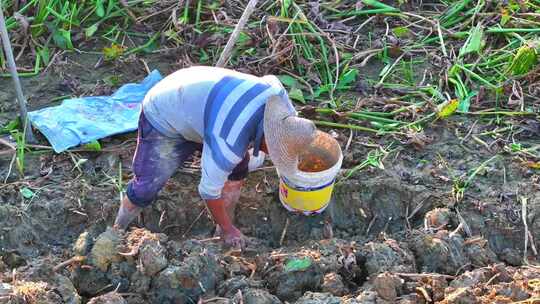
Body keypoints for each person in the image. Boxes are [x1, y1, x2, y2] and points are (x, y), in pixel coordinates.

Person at [113, 66, 316, 248]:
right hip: (165, 112)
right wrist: (229, 230)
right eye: (276, 152)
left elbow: (272, 78)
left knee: (238, 170)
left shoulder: (278, 100)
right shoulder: (228, 141)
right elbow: (209, 191)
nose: (275, 157)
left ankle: (226, 222)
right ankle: (117, 230)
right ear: (267, 139)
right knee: (147, 185)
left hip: (202, 104)